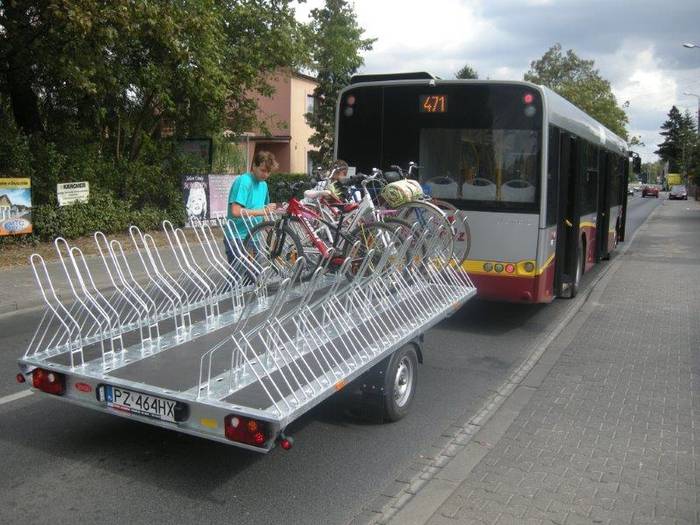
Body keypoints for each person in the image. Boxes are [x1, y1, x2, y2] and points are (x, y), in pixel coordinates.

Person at [224, 150, 278, 265]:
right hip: (238, 237)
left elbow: (260, 209)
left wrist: (268, 225)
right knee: (239, 274)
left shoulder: (264, 184)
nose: (265, 175)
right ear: (254, 166)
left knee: (255, 274)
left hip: (255, 236)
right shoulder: (244, 181)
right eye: (263, 170)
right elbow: (235, 211)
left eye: (268, 172)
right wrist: (263, 211)